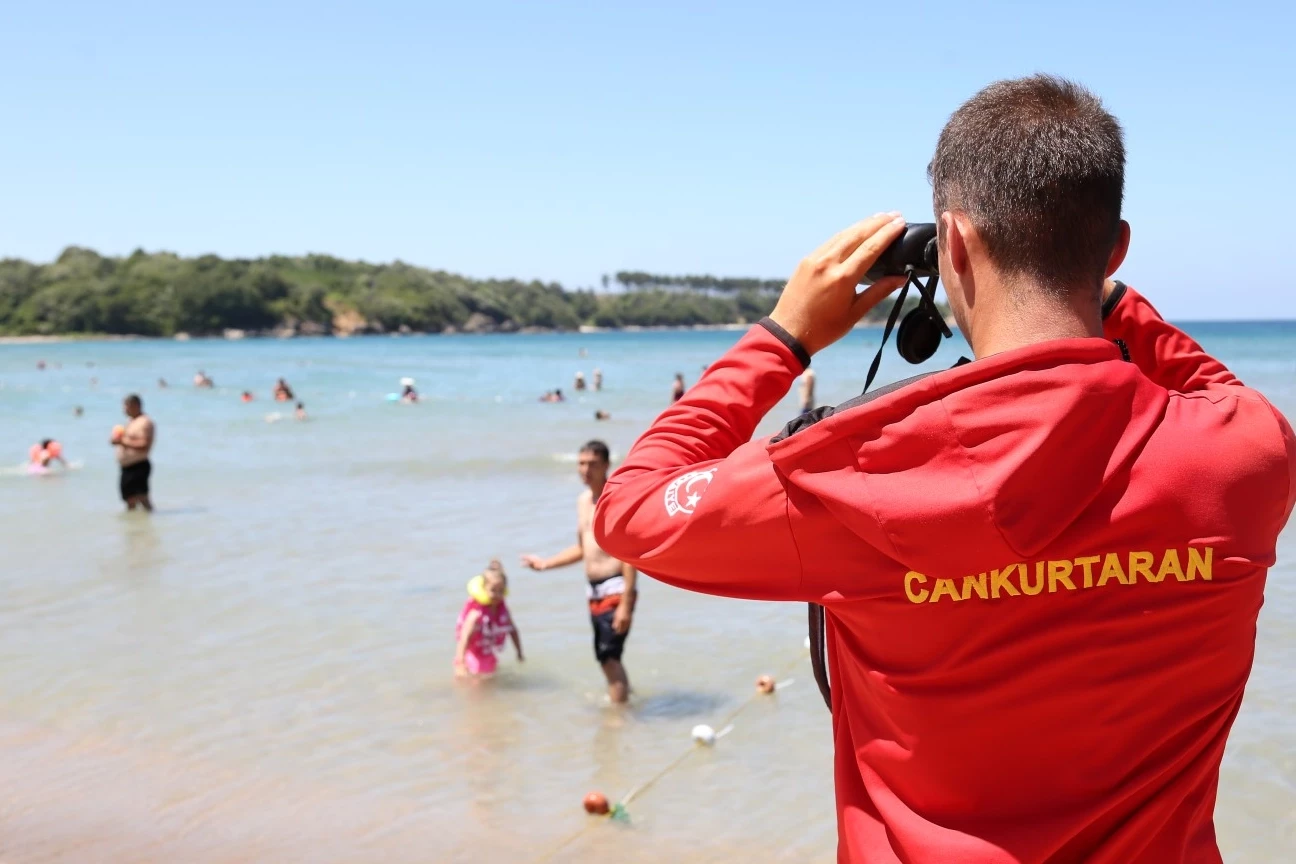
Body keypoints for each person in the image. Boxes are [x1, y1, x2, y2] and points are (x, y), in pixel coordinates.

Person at [591, 76, 1296, 864]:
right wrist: (1111, 295)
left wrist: (782, 337)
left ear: (951, 243)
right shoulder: (1246, 456)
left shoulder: (851, 477)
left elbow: (629, 507)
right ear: (1116, 249)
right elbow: (1215, 387)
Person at [523, 440, 637, 703]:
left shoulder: (615, 499)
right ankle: (624, 704)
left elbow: (628, 553)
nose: (585, 470)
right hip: (594, 591)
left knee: (609, 658)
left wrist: (626, 602)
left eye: (592, 464)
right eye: (581, 463)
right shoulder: (583, 501)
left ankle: (618, 716)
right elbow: (582, 548)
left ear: (606, 466)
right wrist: (545, 563)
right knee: (604, 657)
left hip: (616, 587)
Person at [454, 561, 523, 677]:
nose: (497, 594)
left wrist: (519, 652)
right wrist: (461, 662)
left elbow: (513, 630)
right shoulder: (476, 613)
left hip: (488, 654)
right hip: (471, 657)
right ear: (483, 589)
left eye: (501, 591)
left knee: (490, 680)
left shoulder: (503, 611)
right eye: (493, 590)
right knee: (477, 683)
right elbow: (464, 637)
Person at [112, 394, 155, 512]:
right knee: (129, 500)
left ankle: (151, 518)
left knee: (142, 498)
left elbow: (144, 445)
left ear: (136, 405)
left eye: (126, 406)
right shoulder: (131, 421)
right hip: (127, 467)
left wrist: (122, 442)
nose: (124, 409)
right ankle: (133, 523)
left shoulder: (145, 422)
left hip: (138, 465)